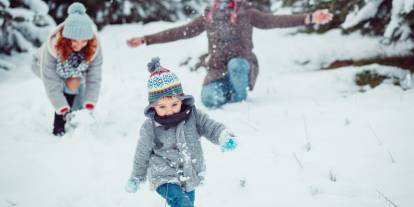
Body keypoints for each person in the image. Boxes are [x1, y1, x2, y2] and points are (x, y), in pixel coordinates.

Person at [127, 0, 333, 108]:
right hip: (217, 70)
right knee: (208, 100)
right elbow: (180, 32)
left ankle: (239, 102)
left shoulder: (247, 12)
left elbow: (275, 20)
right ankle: (229, 93)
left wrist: (310, 17)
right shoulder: (209, 16)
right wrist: (147, 39)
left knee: (237, 65)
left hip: (242, 65)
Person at [125, 58, 237, 207]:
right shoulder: (150, 127)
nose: (169, 110)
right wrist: (136, 177)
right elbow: (142, 152)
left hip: (189, 172)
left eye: (174, 104)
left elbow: (210, 126)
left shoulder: (193, 115)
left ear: (182, 100)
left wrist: (224, 136)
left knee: (187, 202)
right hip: (163, 174)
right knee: (180, 202)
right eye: (162, 107)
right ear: (153, 106)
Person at [31, 2, 103, 136]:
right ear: (66, 38)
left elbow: (94, 76)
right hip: (40, 65)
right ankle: (59, 125)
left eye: (83, 41)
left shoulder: (94, 47)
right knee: (68, 86)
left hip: (72, 68)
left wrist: (90, 101)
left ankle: (75, 114)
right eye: (74, 41)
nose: (79, 45)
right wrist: (61, 105)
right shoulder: (53, 46)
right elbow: (51, 81)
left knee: (76, 87)